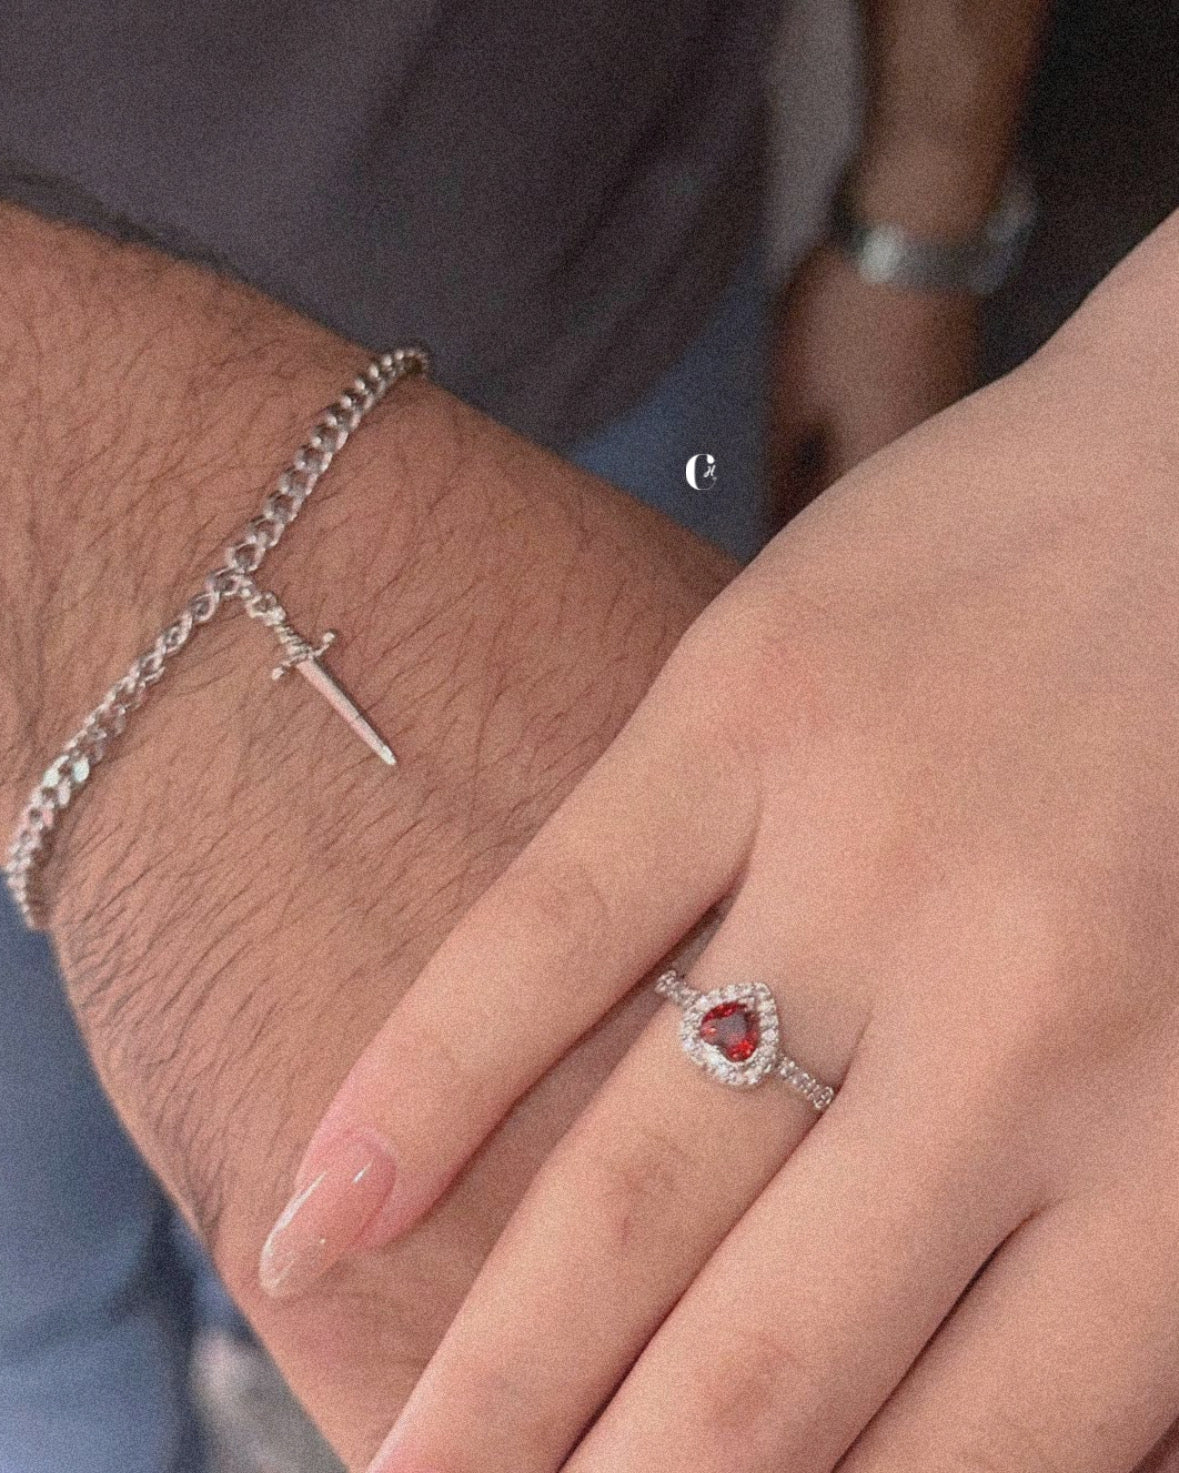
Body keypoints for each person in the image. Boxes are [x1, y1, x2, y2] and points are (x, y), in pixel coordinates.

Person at [19, 3, 1179, 1472]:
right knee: (44, 1326)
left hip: (604, 304)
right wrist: (62, 468)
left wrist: (928, 216)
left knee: (586, 1253)